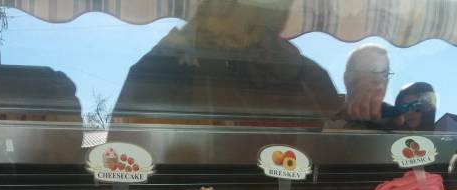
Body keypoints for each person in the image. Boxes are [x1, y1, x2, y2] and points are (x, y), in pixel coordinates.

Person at [109, 0, 340, 128]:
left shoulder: (307, 74)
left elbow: (330, 141)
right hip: (180, 182)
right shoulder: (164, 63)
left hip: (280, 184)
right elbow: (128, 141)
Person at [334, 44, 395, 129]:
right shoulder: (324, 121)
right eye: (373, 71)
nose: (380, 80)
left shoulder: (396, 120)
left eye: (385, 74)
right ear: (348, 78)